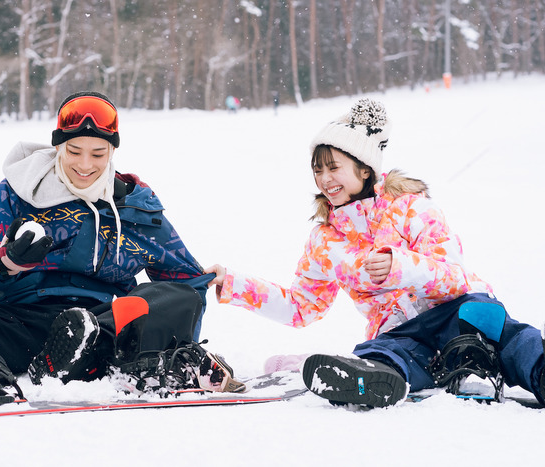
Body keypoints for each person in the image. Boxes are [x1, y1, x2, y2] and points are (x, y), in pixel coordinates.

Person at [0, 91, 242, 405]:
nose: (85, 164)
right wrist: (7, 261)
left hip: (103, 326)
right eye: (74, 151)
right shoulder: (16, 192)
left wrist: (203, 280)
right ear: (58, 148)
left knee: (178, 297)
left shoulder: (137, 207)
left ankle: (101, 358)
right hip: (19, 323)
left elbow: (181, 282)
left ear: (112, 152)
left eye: (97, 153)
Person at [206, 98, 545, 408]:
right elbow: (300, 307)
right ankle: (371, 378)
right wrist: (233, 284)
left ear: (364, 168)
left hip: (453, 312)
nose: (324, 179)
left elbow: (453, 276)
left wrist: (401, 266)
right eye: (318, 169)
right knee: (384, 351)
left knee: (497, 329)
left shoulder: (410, 206)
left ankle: (539, 369)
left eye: (334, 167)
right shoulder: (325, 241)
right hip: (401, 332)